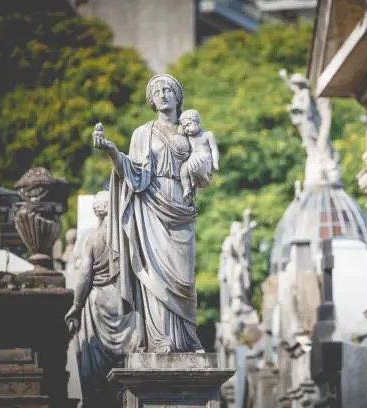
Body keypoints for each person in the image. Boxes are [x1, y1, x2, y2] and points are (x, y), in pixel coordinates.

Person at [92, 73, 205, 353]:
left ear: (179, 97)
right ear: (151, 101)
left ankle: (187, 336)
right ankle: (159, 338)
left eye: (169, 90)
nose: (164, 94)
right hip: (151, 209)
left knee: (184, 279)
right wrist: (112, 151)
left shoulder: (191, 131)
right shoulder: (143, 134)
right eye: (157, 91)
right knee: (155, 274)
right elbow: (134, 174)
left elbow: (204, 170)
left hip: (181, 208)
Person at [64, 191, 135, 407]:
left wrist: (76, 306)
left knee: (96, 366)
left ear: (97, 210)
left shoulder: (91, 239)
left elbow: (85, 275)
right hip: (123, 302)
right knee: (123, 361)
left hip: (98, 302)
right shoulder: (125, 237)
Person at [178, 109, 220, 200]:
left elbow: (214, 149)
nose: (187, 129)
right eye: (184, 127)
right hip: (192, 159)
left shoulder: (207, 134)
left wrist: (215, 163)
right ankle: (187, 188)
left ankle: (195, 181)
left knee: (193, 161)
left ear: (197, 122)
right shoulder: (188, 136)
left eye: (188, 125)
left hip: (205, 159)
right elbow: (179, 133)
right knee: (183, 169)